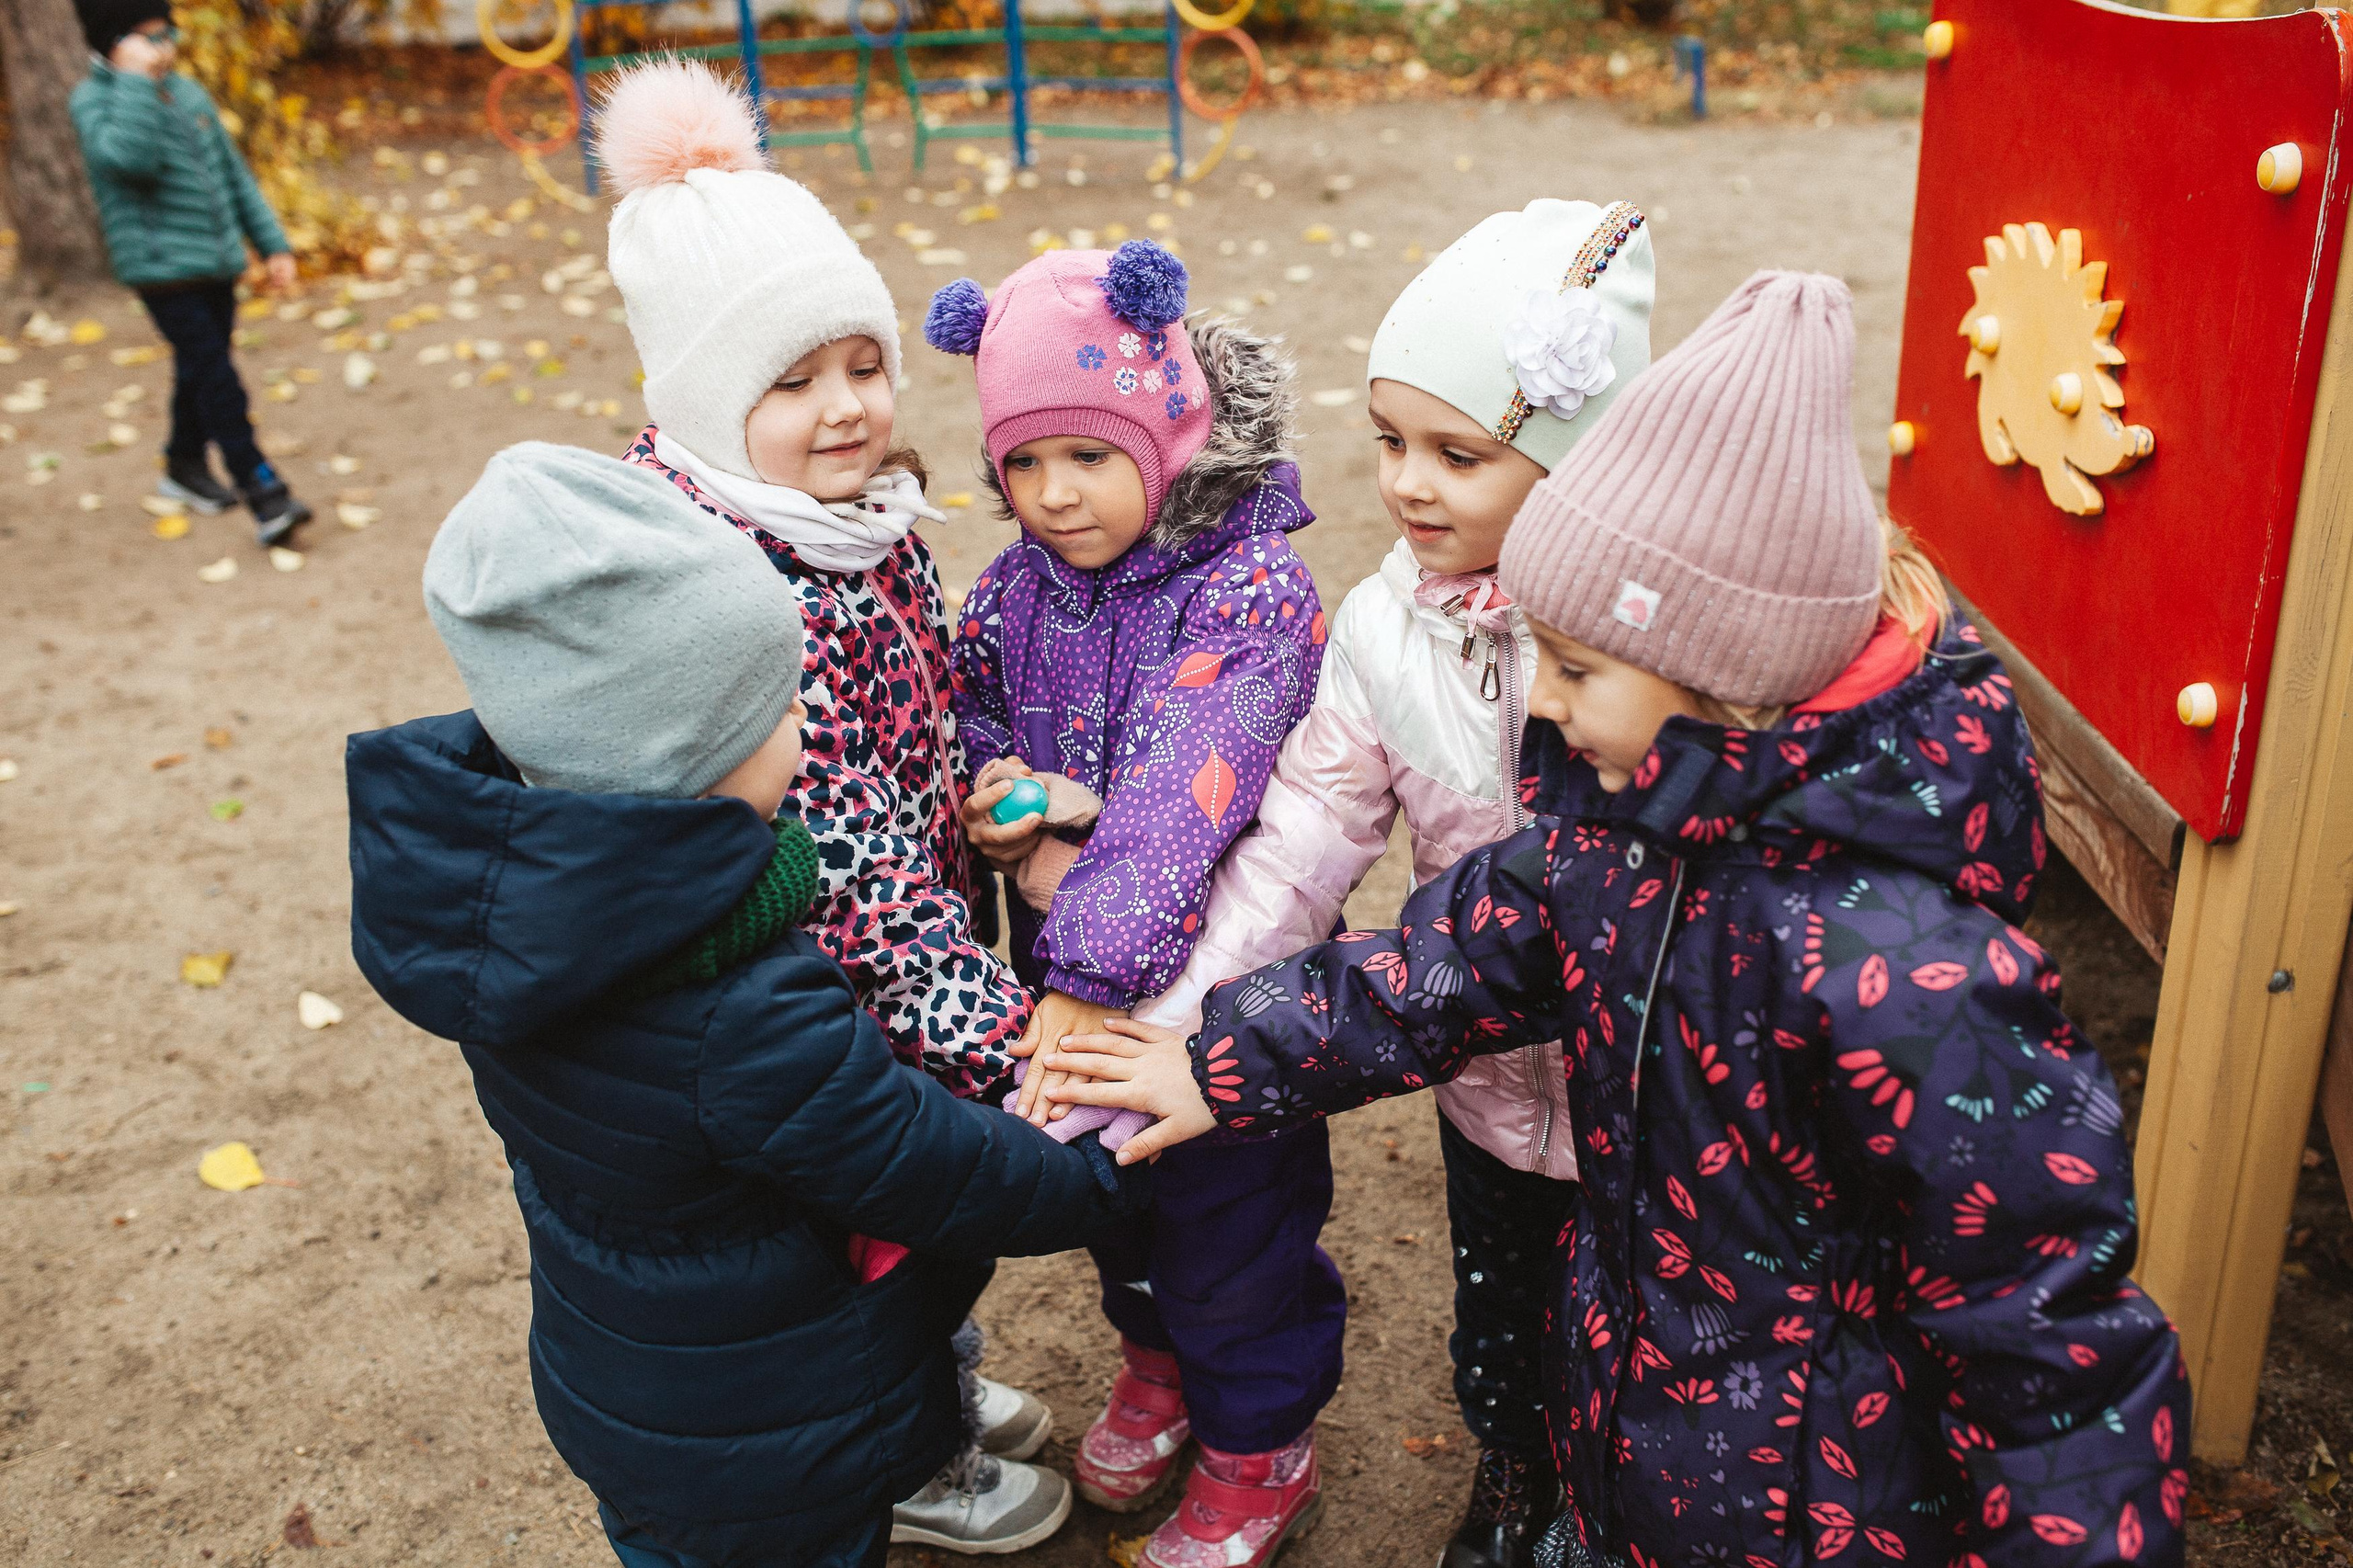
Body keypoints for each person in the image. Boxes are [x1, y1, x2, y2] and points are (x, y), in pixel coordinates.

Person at [1044, 273, 2192, 1568]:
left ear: (1722, 678)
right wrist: (1219, 1055)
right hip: (1640, 1421)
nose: (1547, 705)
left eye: (1578, 669)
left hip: (1822, 1499)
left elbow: (2044, 1334)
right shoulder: (1620, 831)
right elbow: (1446, 963)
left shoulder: (1920, 976)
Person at [347, 442, 1143, 1568]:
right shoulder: (739, 1008)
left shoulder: (528, 912)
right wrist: (1096, 1174)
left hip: (628, 1379)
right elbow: (929, 1162)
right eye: (782, 711)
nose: (804, 733)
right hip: (772, 1428)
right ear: (699, 751)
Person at [1132, 199, 1654, 1568]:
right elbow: (1307, 827)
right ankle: (1516, 1473)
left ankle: (1605, 1513)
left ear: (1573, 454)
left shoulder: (1632, 648)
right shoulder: (1383, 626)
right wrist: (1193, 1015)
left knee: (1645, 1333)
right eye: (1390, 441)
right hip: (1481, 1074)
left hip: (1647, 1096)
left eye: (1459, 452)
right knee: (1500, 1317)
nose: (1411, 483)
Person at [588, 61, 1065, 1551]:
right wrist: (1008, 1028)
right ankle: (905, 1443)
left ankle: (933, 1381)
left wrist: (986, 771)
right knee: (870, 1243)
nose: (845, 406)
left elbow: (931, 700)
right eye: (789, 385)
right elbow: (848, 865)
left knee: (920, 1237)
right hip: (831, 990)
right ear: (704, 402)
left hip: (920, 939)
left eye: (858, 362)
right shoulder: (748, 595)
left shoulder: (864, 522)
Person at [922, 243, 1332, 1568]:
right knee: (1126, 1209)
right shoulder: (1015, 590)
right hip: (1079, 981)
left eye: (1088, 458)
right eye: (1024, 465)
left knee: (1235, 1220)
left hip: (1220, 989)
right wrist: (1001, 799)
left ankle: (1259, 1443)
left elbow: (1180, 797)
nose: (1053, 496)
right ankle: (1157, 1367)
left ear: (1167, 431)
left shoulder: (1248, 586)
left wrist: (1082, 959)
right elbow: (976, 707)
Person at [69, 0, 312, 544]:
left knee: (201, 367)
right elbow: (131, 160)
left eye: (170, 33)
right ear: (113, 44)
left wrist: (272, 243)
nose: (167, 47)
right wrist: (133, 83)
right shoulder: (95, 101)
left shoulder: (187, 92)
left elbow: (235, 174)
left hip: (215, 262)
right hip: (159, 270)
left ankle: (183, 465)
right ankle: (263, 488)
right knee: (217, 376)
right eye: (150, 38)